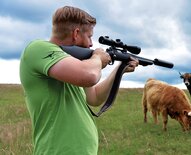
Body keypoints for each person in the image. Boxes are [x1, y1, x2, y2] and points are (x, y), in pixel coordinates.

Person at [19, 6, 138, 155]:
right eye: (89, 36)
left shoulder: (73, 65)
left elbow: (94, 97)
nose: (91, 44)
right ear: (76, 33)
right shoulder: (37, 48)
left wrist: (120, 70)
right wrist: (98, 57)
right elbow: (89, 76)